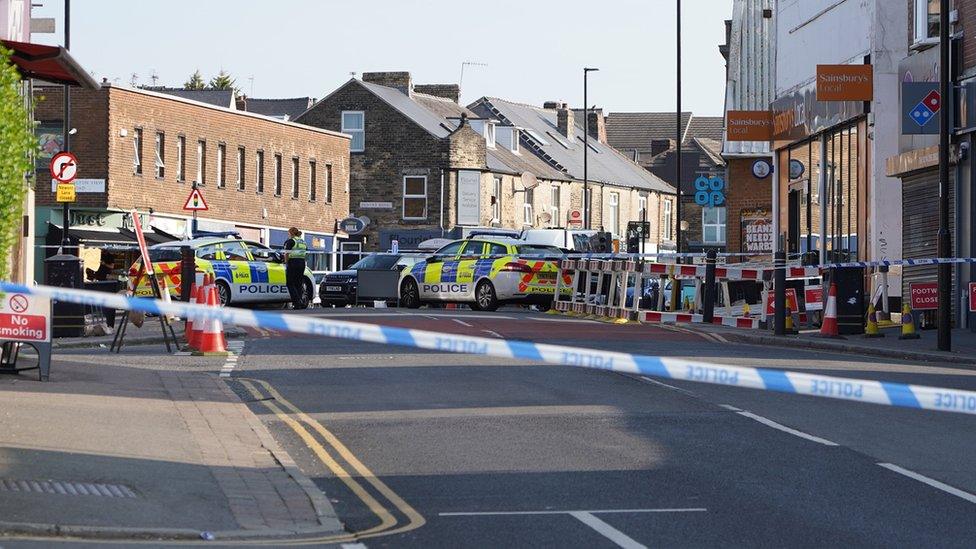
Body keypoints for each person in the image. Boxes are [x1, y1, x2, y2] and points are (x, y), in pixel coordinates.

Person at [283, 227, 309, 309]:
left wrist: (286, 262)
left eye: (288, 233)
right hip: (301, 263)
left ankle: (297, 301)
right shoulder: (303, 242)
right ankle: (299, 303)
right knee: (298, 283)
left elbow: (286, 253)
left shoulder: (291, 241)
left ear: (291, 233)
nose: (288, 234)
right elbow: (306, 254)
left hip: (293, 262)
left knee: (290, 283)